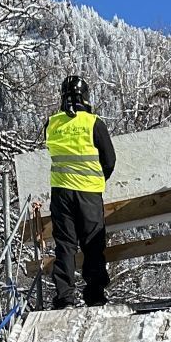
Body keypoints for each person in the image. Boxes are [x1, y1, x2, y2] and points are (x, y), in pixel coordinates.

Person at [44, 75, 117, 309]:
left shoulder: (52, 123)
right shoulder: (93, 123)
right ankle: (94, 294)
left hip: (61, 192)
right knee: (92, 244)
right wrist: (97, 178)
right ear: (85, 96)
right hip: (88, 193)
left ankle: (64, 296)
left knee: (65, 244)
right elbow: (110, 159)